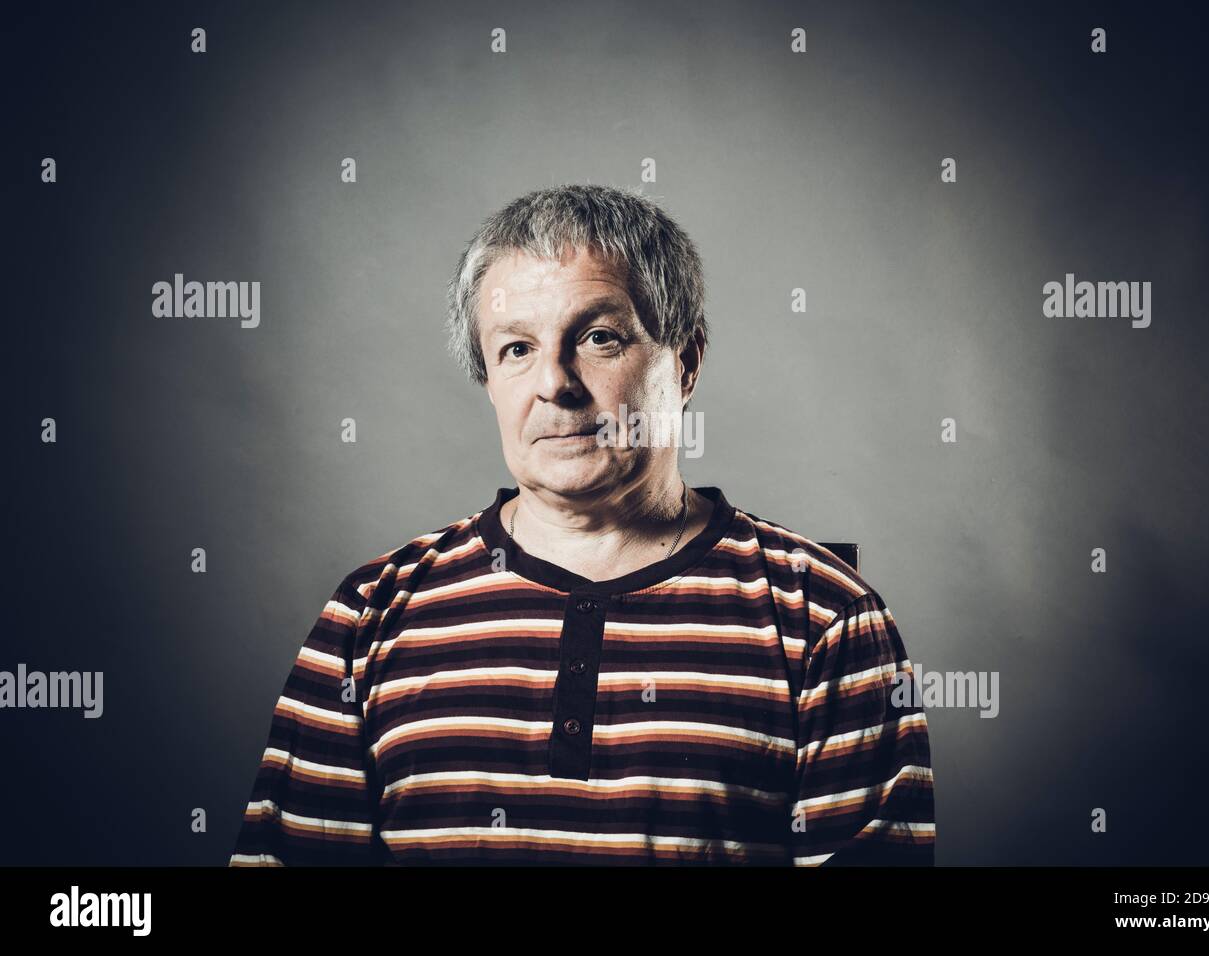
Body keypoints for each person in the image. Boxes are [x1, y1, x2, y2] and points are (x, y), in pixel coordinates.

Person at [228, 183, 935, 865]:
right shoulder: (370, 616)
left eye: (598, 337)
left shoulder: (826, 620)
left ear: (684, 363)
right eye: (517, 349)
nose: (553, 383)